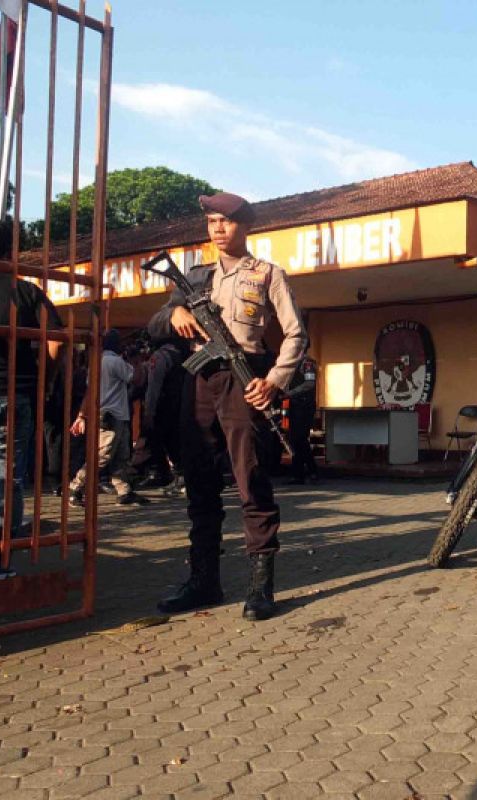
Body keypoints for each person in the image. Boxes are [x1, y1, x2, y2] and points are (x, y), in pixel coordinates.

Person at [148, 192, 307, 622]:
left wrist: (274, 381)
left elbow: (296, 335)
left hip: (245, 378)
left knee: (250, 477)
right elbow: (155, 323)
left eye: (228, 221)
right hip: (198, 379)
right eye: (213, 221)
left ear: (246, 226)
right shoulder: (195, 277)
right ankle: (204, 580)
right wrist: (176, 314)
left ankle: (261, 585)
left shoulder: (268, 274)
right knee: (198, 478)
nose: (219, 228)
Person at [0, 260, 62, 576]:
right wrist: (45, 378)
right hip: (14, 391)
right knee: (5, 478)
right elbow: (57, 340)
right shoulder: (24, 291)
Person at [69, 330, 139, 507]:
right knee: (102, 455)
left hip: (104, 413)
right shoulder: (116, 361)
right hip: (114, 414)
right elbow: (134, 377)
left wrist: (81, 415)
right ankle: (75, 487)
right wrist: (132, 360)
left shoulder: (97, 362)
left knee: (119, 455)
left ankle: (124, 490)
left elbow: (89, 389)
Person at [129, 339, 188, 490]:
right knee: (172, 440)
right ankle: (169, 473)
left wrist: (149, 411)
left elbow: (154, 385)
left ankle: (170, 474)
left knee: (160, 440)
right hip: (180, 404)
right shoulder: (182, 354)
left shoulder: (160, 356)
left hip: (162, 406)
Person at [285, 355, 319, 485]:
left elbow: (309, 383)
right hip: (294, 405)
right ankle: (306, 472)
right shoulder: (292, 362)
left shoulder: (307, 362)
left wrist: (290, 393)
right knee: (296, 440)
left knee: (299, 439)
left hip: (304, 405)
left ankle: (304, 472)